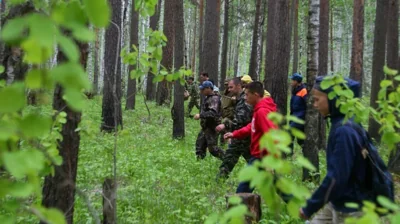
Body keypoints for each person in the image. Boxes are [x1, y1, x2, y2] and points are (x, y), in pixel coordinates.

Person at [299, 76, 374, 223]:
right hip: (338, 199)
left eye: (317, 99)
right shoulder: (341, 122)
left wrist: (310, 206)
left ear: (332, 99)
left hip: (351, 206)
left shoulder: (344, 131)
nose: (314, 104)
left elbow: (337, 177)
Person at [224, 81, 277, 193]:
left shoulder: (262, 111)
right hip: (259, 156)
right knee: (278, 186)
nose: (245, 97)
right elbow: (251, 127)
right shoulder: (258, 110)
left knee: (242, 190)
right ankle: (300, 206)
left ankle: (240, 208)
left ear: (256, 95)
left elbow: (271, 135)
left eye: (247, 95)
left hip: (261, 157)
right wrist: (235, 134)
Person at [216, 77, 252, 178]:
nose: (229, 89)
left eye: (231, 87)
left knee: (256, 163)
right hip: (238, 137)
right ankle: (219, 181)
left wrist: (225, 124)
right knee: (228, 160)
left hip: (246, 139)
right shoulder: (238, 99)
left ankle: (272, 182)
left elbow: (241, 121)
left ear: (239, 86)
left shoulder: (244, 100)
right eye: (228, 87)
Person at [194, 81, 225, 160]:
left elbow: (212, 113)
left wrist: (200, 115)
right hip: (205, 127)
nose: (201, 91)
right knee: (199, 146)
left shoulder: (214, 98)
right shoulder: (208, 98)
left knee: (213, 149)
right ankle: (199, 163)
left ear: (208, 88)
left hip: (212, 128)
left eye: (203, 89)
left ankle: (227, 159)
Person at [289, 73, 308, 156]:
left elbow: (307, 104)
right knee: (300, 139)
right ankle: (306, 152)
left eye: (292, 80)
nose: (291, 82)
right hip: (294, 116)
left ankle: (288, 154)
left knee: (289, 132)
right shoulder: (295, 90)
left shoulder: (303, 91)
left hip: (300, 116)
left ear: (297, 81)